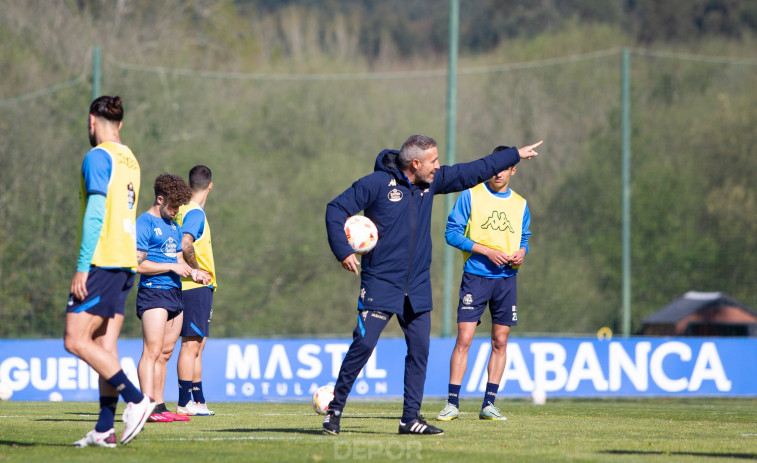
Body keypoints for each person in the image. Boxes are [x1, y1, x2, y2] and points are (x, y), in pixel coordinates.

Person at [323, 135, 542, 436]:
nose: (438, 166)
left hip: (417, 285)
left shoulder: (431, 183)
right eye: (433, 161)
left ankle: (410, 418)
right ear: (416, 163)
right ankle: (334, 412)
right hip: (381, 283)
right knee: (363, 345)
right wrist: (343, 250)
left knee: (419, 350)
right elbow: (335, 209)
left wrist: (513, 154)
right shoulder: (376, 184)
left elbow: (473, 170)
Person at [64, 95, 156, 448]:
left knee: (74, 338)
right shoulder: (129, 157)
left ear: (92, 121)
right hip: (126, 262)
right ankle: (104, 428)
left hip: (102, 260)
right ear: (120, 123)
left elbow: (95, 213)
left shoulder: (97, 156)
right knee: (105, 345)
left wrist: (82, 266)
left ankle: (136, 398)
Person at [436, 146, 531, 422]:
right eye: (495, 166)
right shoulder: (471, 195)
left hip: (506, 280)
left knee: (500, 341)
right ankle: (452, 403)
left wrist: (522, 253)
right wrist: (486, 250)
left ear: (513, 169)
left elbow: (524, 238)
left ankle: (489, 404)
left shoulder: (521, 204)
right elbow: (451, 234)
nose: (499, 172)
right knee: (464, 339)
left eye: (506, 167)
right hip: (476, 277)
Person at [135, 173, 209, 423]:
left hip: (175, 293)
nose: (176, 210)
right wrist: (170, 268)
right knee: (152, 351)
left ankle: (159, 406)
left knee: (166, 353)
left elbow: (178, 260)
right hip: (153, 291)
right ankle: (145, 406)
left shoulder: (174, 225)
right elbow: (137, 265)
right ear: (159, 199)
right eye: (173, 205)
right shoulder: (144, 223)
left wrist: (194, 272)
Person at [174, 165, 217, 416]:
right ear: (210, 185)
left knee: (197, 346)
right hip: (194, 287)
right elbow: (185, 242)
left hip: (192, 286)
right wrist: (196, 270)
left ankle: (198, 400)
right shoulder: (194, 212)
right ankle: (183, 402)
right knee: (190, 347)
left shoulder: (181, 210)